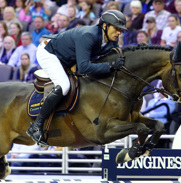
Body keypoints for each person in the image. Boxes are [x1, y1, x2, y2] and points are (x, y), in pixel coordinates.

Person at [26, 10, 127, 146]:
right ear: (104, 26)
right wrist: (110, 66)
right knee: (64, 85)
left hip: (67, 57)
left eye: (121, 30)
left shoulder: (111, 42)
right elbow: (84, 67)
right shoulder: (88, 35)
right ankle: (36, 125)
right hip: (49, 53)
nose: (119, 32)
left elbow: (111, 60)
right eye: (116, 28)